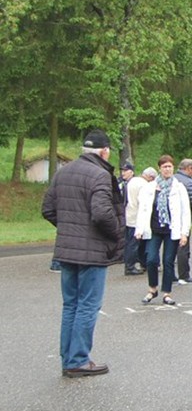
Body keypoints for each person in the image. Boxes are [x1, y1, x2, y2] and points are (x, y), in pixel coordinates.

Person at [41, 129, 125, 377]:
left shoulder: (62, 172)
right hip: (92, 251)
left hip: (67, 250)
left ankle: (68, 357)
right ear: (105, 151)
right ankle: (78, 359)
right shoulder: (99, 175)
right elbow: (101, 213)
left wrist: (69, 230)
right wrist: (115, 233)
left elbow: (48, 209)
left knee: (71, 305)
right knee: (88, 305)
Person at [135, 155, 191, 306]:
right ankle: (152, 288)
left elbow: (186, 211)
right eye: (164, 167)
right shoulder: (149, 187)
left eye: (170, 166)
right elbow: (143, 209)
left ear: (173, 168)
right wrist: (139, 229)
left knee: (168, 261)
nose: (167, 169)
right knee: (151, 259)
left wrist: (184, 233)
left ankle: (167, 292)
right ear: (159, 169)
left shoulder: (179, 187)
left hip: (171, 230)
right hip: (154, 229)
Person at [123, 164, 153, 275]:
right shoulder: (144, 185)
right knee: (135, 243)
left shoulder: (132, 182)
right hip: (137, 217)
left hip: (128, 214)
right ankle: (131, 266)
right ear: (150, 177)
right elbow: (143, 203)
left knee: (129, 242)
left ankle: (129, 263)